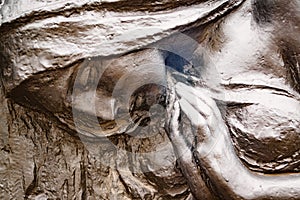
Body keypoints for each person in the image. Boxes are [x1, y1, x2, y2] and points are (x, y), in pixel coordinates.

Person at [0, 0, 299, 199]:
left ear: (100, 27)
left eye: (80, 87)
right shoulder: (177, 115)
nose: (108, 111)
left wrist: (252, 188)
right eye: (72, 110)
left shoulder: (273, 15)